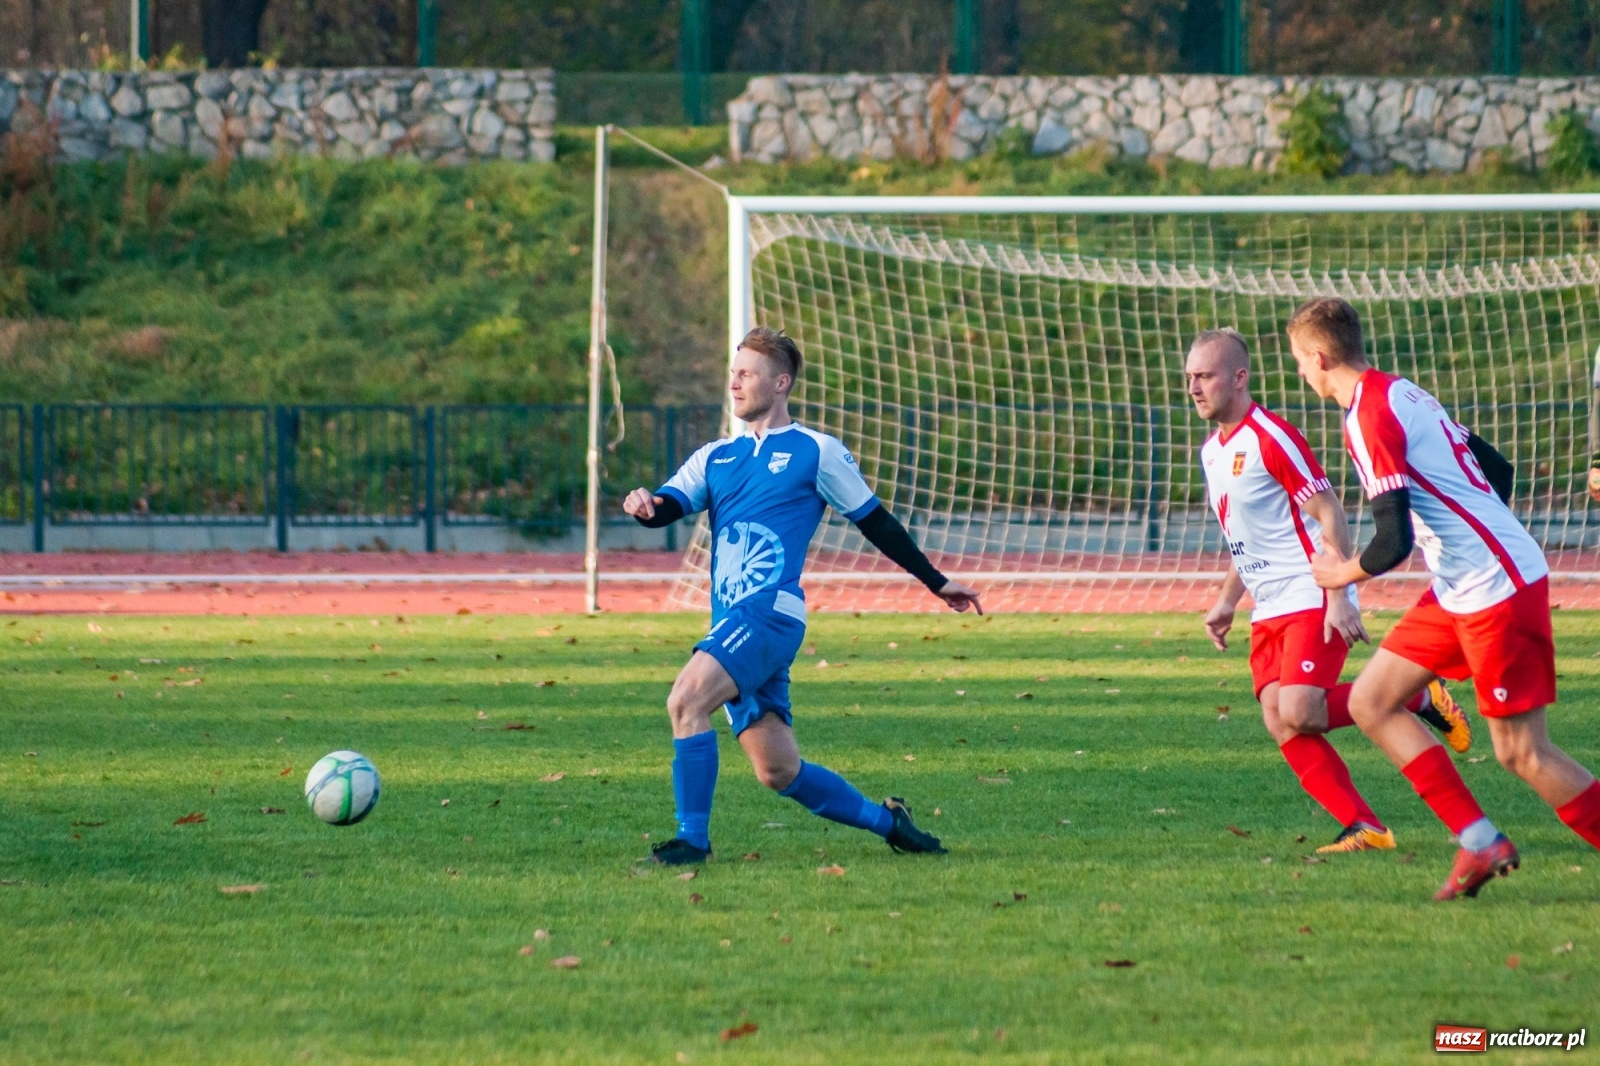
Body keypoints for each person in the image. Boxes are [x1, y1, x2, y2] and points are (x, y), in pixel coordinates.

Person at [624, 326, 983, 865]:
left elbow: (875, 522)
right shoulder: (715, 457)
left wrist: (935, 581)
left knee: (685, 701)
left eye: (746, 374)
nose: (734, 383)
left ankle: (691, 841)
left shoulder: (816, 451)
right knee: (778, 770)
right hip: (731, 620)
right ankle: (891, 823)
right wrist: (644, 506)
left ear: (781, 383)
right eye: (732, 373)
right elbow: (666, 507)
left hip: (770, 614)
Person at [1288, 297, 1600, 900]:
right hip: (1464, 584)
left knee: (1523, 753)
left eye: (1299, 360)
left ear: (1319, 357)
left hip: (1495, 591)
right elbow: (1496, 470)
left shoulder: (1367, 416)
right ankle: (1479, 841)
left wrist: (1339, 574)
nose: (1301, 372)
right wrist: (1469, 539)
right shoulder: (1401, 391)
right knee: (1372, 702)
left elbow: (1393, 541)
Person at [1187, 328, 1469, 854]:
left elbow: (1330, 510)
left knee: (1299, 709)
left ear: (1239, 378)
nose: (1194, 388)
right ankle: (1365, 826)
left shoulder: (1272, 436)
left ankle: (1413, 695)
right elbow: (1246, 537)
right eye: (1189, 378)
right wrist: (1227, 600)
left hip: (1310, 592)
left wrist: (1338, 594)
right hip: (1268, 604)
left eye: (1204, 376)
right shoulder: (1211, 452)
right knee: (1282, 720)